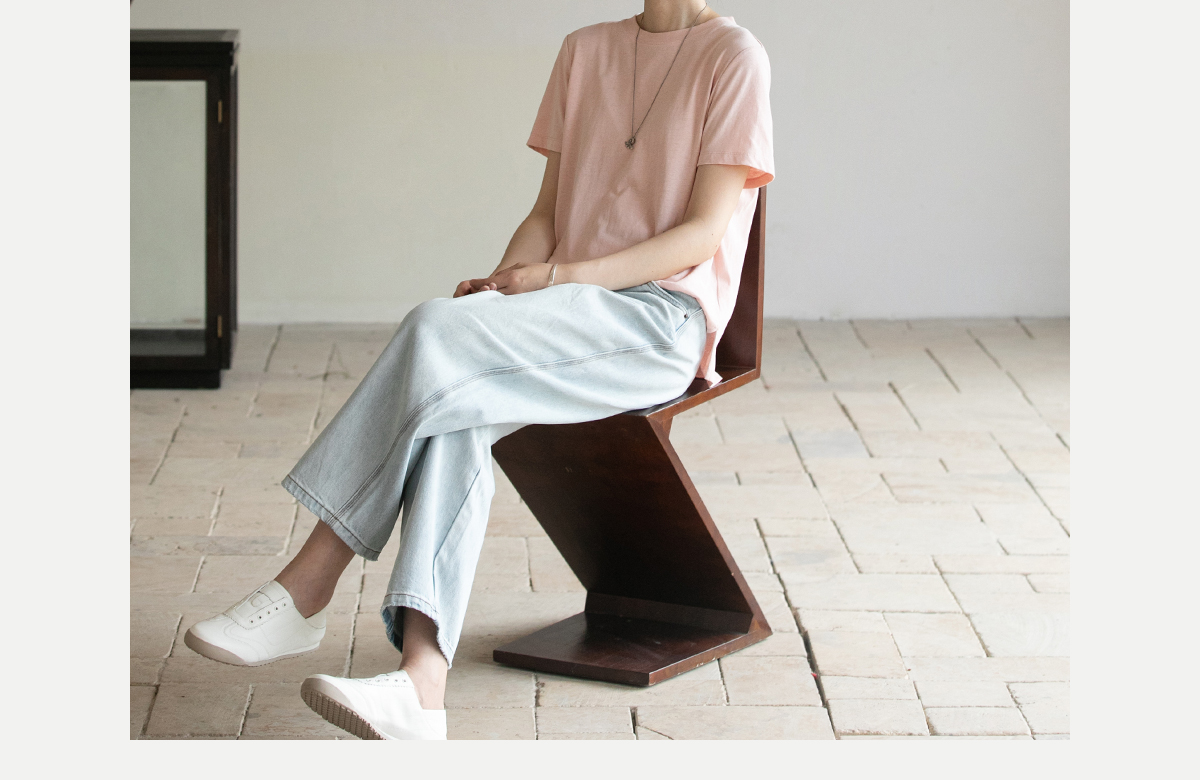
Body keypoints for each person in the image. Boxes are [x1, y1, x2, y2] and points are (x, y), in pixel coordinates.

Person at [182, 0, 773, 740]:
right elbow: (547, 213)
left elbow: (701, 235)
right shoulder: (585, 49)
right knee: (453, 404)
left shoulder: (734, 57)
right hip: (565, 310)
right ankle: (421, 686)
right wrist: (501, 289)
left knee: (433, 329)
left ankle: (309, 583)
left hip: (655, 323)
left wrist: (556, 278)